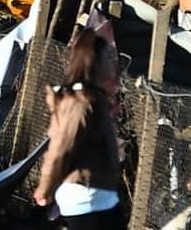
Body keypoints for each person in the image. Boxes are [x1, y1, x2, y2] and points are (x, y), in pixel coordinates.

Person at [34, 34, 126, 228]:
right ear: (94, 63)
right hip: (85, 197)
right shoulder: (79, 103)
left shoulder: (95, 101)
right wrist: (45, 189)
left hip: (101, 196)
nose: (113, 63)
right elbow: (61, 148)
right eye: (108, 57)